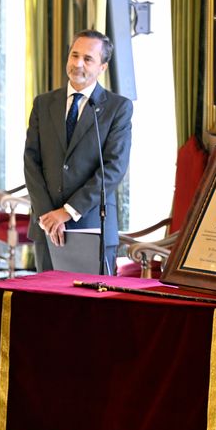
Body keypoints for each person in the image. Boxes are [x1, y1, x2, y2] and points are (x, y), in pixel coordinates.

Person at [23, 29, 133, 274]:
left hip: (92, 225)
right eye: (74, 55)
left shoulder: (118, 108)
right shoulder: (43, 103)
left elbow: (113, 169)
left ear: (103, 67)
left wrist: (67, 212)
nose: (77, 64)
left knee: (90, 311)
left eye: (88, 59)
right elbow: (31, 161)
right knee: (47, 306)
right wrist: (47, 216)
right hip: (47, 227)